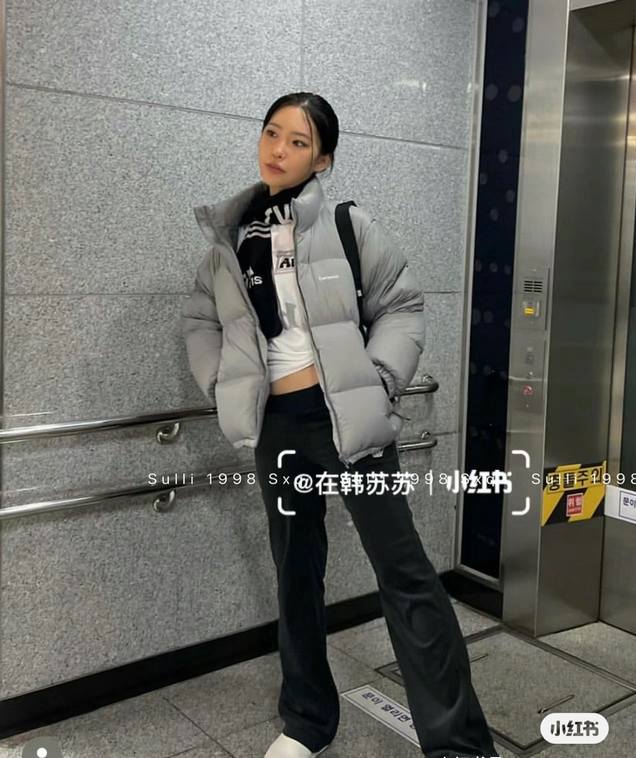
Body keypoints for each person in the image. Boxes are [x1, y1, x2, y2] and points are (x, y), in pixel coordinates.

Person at [181, 92, 499, 758]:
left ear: (322, 159)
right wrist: (222, 386)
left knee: (404, 574)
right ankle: (306, 722)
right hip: (277, 427)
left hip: (345, 423)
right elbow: (202, 322)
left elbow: (402, 307)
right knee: (295, 571)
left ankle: (458, 745)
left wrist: (376, 381)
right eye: (271, 133)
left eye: (298, 141)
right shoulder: (229, 244)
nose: (278, 149)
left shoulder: (350, 226)